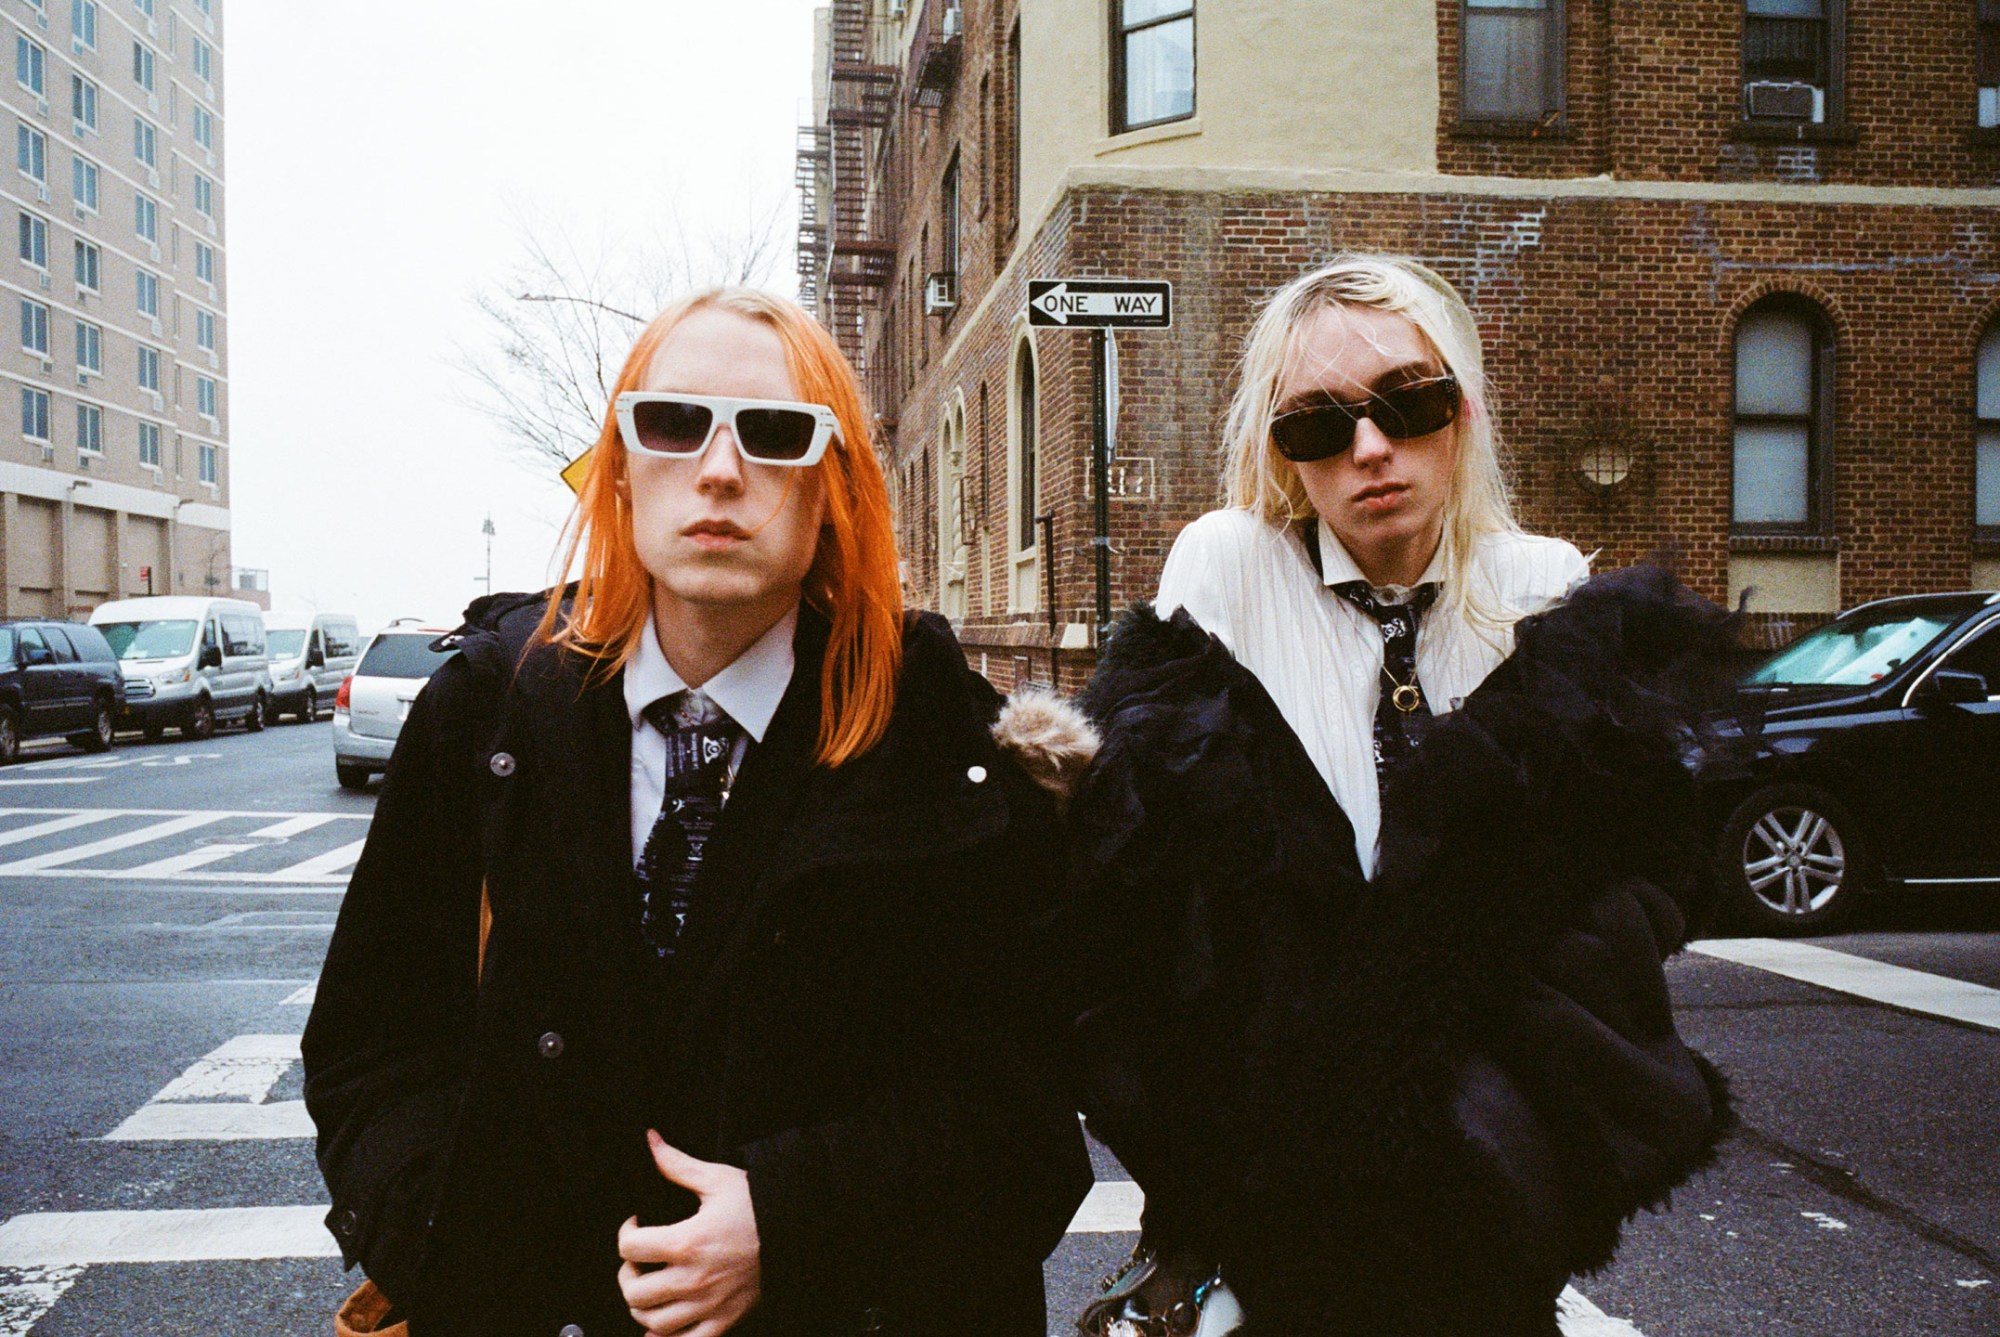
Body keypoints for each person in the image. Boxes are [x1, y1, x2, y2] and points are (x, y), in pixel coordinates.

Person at [303, 288, 1092, 1337]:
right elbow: (374, 1045)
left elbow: (1019, 1119)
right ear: (621, 471)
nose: (719, 470)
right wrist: (458, 1250)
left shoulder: (940, 743)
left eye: (773, 434)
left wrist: (790, 1215)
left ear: (830, 491)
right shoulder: (486, 713)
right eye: (671, 422)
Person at [1056, 254, 1735, 1335]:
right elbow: (1152, 891)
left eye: (1407, 401)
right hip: (1272, 1183)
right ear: (1279, 451)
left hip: (1482, 1184)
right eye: (1316, 425)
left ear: (1459, 411)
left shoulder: (1541, 586)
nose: (1369, 449)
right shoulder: (1226, 566)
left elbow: (1620, 887)